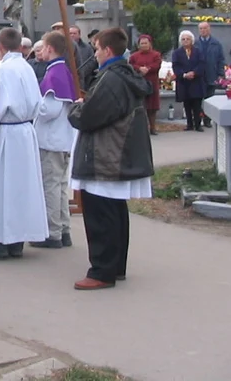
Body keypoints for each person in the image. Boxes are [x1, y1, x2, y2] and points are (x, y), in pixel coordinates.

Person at [68, 28, 154, 290]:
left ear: (107, 51)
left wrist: (76, 107)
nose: (94, 54)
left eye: (96, 49)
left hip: (106, 155)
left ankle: (102, 271)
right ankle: (115, 266)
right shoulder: (120, 75)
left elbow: (90, 116)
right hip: (114, 154)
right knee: (114, 212)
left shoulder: (111, 80)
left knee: (100, 215)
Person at [0, 28, 48, 261]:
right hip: (25, 132)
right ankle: (16, 240)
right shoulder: (27, 67)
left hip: (6, 133)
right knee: (20, 189)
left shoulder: (2, 71)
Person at [31, 32, 77, 249]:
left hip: (51, 139)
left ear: (50, 48)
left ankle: (53, 232)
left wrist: (33, 103)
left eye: (44, 47)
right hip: (62, 138)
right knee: (59, 186)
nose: (41, 51)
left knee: (51, 185)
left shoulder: (55, 73)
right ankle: (63, 228)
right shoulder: (62, 71)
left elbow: (50, 109)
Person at [172, 30, 206, 132]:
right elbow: (176, 65)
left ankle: (198, 124)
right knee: (187, 104)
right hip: (184, 82)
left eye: (188, 39)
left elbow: (201, 64)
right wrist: (184, 74)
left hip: (196, 81)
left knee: (197, 104)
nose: (185, 41)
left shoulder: (198, 51)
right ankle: (189, 124)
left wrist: (194, 73)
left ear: (192, 40)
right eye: (183, 39)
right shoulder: (177, 53)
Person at [128, 35, 162, 135]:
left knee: (152, 107)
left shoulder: (156, 54)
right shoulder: (134, 56)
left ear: (150, 44)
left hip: (152, 83)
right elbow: (131, 65)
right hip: (139, 83)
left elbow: (157, 65)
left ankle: (153, 127)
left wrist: (148, 69)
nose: (144, 45)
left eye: (145, 43)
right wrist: (139, 68)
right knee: (141, 107)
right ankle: (142, 129)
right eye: (142, 43)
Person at [196, 22, 224, 127]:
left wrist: (221, 74)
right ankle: (198, 120)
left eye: (205, 28)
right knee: (198, 99)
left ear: (209, 29)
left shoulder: (216, 43)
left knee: (209, 99)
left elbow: (221, 60)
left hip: (211, 75)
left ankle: (207, 120)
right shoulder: (195, 43)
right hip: (198, 76)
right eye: (201, 28)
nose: (203, 30)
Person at [69, 26, 97, 91]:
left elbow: (92, 62)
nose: (72, 35)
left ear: (79, 34)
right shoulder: (64, 48)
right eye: (70, 33)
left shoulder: (87, 48)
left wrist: (81, 72)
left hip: (84, 81)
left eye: (74, 33)